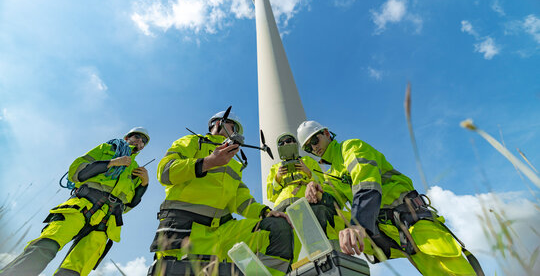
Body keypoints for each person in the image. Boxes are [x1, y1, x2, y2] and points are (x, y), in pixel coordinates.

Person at [297, 121, 484, 276]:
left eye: (314, 139)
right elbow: (335, 201)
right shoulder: (331, 174)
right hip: (387, 232)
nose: (314, 147)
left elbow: (367, 185)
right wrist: (316, 189)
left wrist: (358, 225)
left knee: (454, 271)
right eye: (308, 147)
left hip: (412, 221)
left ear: (326, 133)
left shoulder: (351, 148)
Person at [148, 110, 293, 276]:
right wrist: (208, 162)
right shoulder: (193, 142)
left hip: (223, 231)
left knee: (277, 228)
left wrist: (266, 212)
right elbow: (165, 172)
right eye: (234, 128)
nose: (236, 134)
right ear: (218, 124)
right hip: (185, 228)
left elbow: (241, 200)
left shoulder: (234, 163)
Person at [0, 127, 151, 276]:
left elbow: (127, 206)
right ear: (127, 138)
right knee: (47, 245)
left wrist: (144, 185)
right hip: (80, 207)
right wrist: (112, 163)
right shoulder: (106, 149)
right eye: (137, 136)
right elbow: (76, 172)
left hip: (106, 222)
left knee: (75, 269)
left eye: (143, 141)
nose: (140, 141)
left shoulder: (136, 170)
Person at [266, 133, 340, 259]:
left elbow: (323, 185)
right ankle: (285, 268)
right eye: (282, 143)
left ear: (295, 143)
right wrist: (277, 178)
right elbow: (270, 195)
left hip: (307, 203)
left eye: (289, 141)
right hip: (283, 207)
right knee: (285, 242)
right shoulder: (275, 168)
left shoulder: (308, 161)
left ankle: (325, 262)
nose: (285, 144)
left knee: (316, 237)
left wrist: (308, 172)